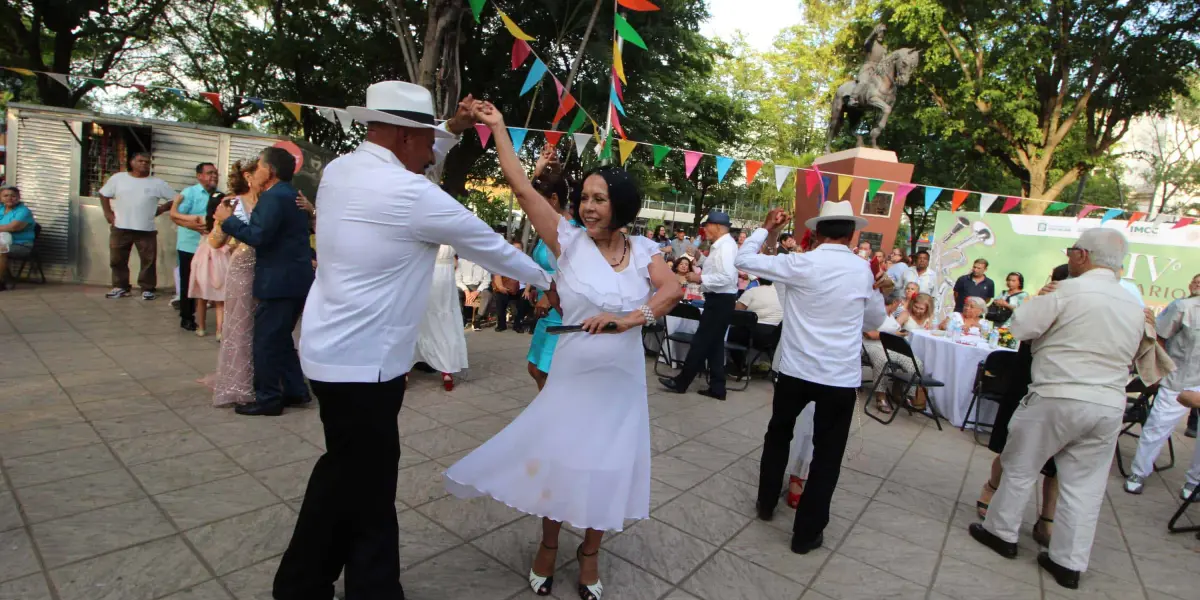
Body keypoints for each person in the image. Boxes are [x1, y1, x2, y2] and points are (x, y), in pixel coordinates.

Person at [273, 84, 547, 600]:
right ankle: (345, 588)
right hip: (365, 366)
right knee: (368, 490)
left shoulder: (340, 171)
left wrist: (453, 130)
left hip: (329, 354)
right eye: (427, 141)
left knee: (345, 474)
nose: (432, 153)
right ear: (403, 136)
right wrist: (548, 280)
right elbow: (488, 245)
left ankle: (304, 583)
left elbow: (415, 158)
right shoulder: (411, 195)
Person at [445, 101, 681, 600]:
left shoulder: (643, 252)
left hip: (619, 385)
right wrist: (497, 131)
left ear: (621, 204)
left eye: (600, 198)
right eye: (584, 198)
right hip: (573, 379)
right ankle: (549, 546)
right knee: (562, 461)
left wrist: (629, 319)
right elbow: (523, 188)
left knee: (607, 465)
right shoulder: (567, 241)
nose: (588, 206)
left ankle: (589, 553)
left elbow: (671, 291)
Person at [969, 228, 1144, 590]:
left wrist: (1042, 297)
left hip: (1057, 394)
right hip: (1108, 402)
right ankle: (1068, 562)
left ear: (1082, 255)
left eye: (1071, 252)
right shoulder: (1133, 303)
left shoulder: (1066, 290)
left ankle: (1001, 532)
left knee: (1020, 468)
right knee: (1084, 486)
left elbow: (1020, 327)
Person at [736, 201, 891, 555]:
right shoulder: (862, 270)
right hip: (838, 376)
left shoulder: (801, 262)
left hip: (796, 370)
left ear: (818, 233)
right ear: (852, 234)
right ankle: (805, 534)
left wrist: (766, 228)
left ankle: (765, 502)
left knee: (779, 435)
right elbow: (873, 322)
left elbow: (743, 260)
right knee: (828, 455)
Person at [214, 147, 315, 417]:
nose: (254, 172)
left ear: (269, 170)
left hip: (278, 281)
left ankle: (269, 397)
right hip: (295, 279)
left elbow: (258, 236)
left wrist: (228, 222)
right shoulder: (291, 195)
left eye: (258, 166)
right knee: (280, 339)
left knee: (267, 341)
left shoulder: (273, 197)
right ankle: (295, 390)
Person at [975, 264, 1070, 547]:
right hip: (1028, 381)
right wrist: (1040, 303)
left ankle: (1047, 519)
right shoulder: (1044, 302)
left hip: (1064, 389)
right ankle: (991, 489)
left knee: (1058, 463)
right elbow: (1022, 333)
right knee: (1012, 448)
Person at [1124, 272, 1200, 499]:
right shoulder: (1183, 307)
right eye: (1196, 281)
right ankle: (1138, 473)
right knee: (1157, 427)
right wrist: (1158, 371)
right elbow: (1159, 337)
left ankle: (1194, 483)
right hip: (1179, 380)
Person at [659, 210, 740, 401]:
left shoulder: (726, 247)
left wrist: (699, 277)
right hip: (720, 299)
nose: (705, 230)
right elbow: (717, 269)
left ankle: (682, 382)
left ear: (718, 227)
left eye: (707, 226)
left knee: (701, 341)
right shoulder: (720, 246)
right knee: (715, 345)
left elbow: (726, 277)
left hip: (720, 299)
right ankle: (717, 387)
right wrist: (699, 257)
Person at [210, 160, 260, 408]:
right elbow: (215, 242)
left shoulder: (271, 202)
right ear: (249, 176)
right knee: (240, 326)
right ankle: (239, 382)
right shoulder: (232, 204)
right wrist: (222, 222)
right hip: (241, 268)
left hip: (268, 270)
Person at [99, 152, 177, 300]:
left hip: (146, 229)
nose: (144, 164)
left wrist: (160, 209)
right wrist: (108, 214)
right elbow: (104, 194)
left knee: (148, 260)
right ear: (132, 162)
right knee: (117, 259)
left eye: (147, 162)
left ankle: (147, 289)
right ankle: (120, 287)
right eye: (140, 161)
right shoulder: (119, 179)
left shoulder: (157, 183)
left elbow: (176, 199)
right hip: (121, 227)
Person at [525, 159, 573, 391]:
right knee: (535, 369)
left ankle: (555, 421)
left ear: (554, 199)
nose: (533, 207)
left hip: (562, 311)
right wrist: (538, 170)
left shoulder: (572, 232)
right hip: (546, 312)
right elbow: (525, 196)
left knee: (548, 373)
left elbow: (575, 273)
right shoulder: (548, 227)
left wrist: (552, 293)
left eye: (539, 201)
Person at [411, 244, 469, 392]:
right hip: (444, 279)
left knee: (421, 320)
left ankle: (406, 369)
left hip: (427, 274)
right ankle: (446, 372)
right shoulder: (453, 229)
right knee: (444, 324)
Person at [170, 163, 220, 331]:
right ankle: (186, 317)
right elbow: (177, 216)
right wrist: (194, 223)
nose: (214, 176)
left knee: (206, 281)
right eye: (209, 173)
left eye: (216, 173)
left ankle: (205, 317)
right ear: (199, 176)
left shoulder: (219, 195)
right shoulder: (189, 193)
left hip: (210, 245)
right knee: (188, 282)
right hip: (189, 245)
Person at [863, 290, 926, 413]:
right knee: (883, 360)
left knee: (916, 363)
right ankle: (881, 396)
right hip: (873, 345)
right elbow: (869, 334)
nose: (900, 305)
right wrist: (894, 333)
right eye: (899, 303)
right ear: (895, 302)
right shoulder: (873, 313)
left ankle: (906, 394)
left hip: (891, 346)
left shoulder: (891, 315)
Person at [188, 196, 232, 339]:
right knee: (220, 298)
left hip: (203, 261)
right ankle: (219, 331)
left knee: (203, 297)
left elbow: (180, 218)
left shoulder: (204, 221)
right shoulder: (226, 222)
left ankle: (202, 327)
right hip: (219, 260)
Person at [727, 278, 783, 378]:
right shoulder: (780, 294)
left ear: (758, 279)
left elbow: (735, 314)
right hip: (776, 337)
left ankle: (740, 368)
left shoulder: (752, 292)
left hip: (755, 335)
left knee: (728, 333)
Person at [0, 186, 36, 291]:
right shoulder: (1, 209)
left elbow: (13, 227)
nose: (9, 198)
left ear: (18, 197)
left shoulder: (23, 211)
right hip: (3, 241)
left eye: (13, 196)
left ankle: (1, 281)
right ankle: (6, 278)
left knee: (1, 250)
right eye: (5, 196)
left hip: (21, 245)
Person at [493, 241, 532, 333]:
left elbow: (531, 277)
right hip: (506, 287)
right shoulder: (503, 260)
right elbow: (497, 274)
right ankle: (501, 324)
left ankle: (517, 325)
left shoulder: (527, 261)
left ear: (522, 249)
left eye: (518, 248)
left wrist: (527, 290)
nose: (516, 250)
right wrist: (500, 287)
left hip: (521, 287)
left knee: (525, 299)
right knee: (500, 297)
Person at [456, 256, 491, 331]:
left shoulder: (484, 262)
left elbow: (487, 281)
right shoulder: (461, 261)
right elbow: (457, 280)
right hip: (464, 286)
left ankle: (477, 319)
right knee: (455, 292)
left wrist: (477, 291)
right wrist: (466, 291)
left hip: (478, 286)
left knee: (487, 294)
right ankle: (462, 319)